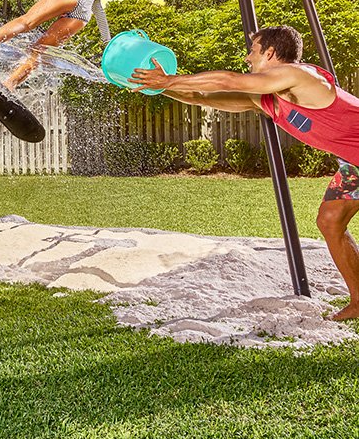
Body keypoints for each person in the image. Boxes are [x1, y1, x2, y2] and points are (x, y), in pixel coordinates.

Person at [130, 25, 359, 321]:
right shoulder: (269, 99)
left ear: (271, 53)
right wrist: (161, 86)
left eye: (253, 51)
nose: (248, 58)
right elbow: (203, 97)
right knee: (330, 221)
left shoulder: (298, 75)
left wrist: (169, 78)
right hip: (353, 164)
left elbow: (227, 80)